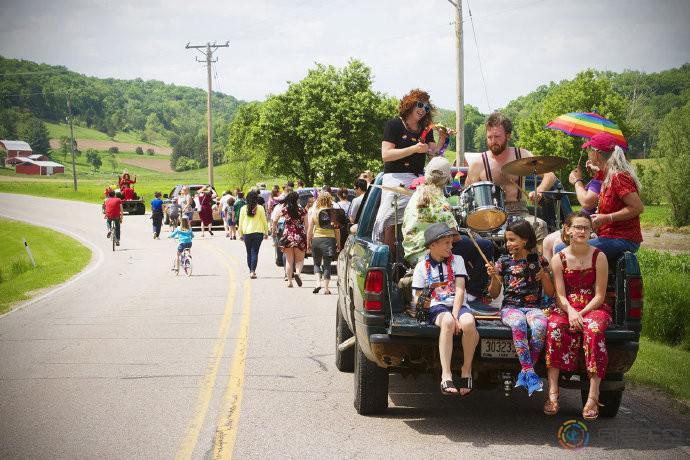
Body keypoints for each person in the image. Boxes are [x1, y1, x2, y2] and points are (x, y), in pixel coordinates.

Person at [545, 212, 610, 420]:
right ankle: (553, 394)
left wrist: (581, 313)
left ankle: (593, 396)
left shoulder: (599, 256)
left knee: (594, 329)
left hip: (593, 306)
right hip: (567, 307)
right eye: (577, 227)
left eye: (585, 227)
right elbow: (560, 296)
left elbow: (600, 295)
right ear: (567, 230)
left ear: (591, 231)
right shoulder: (559, 258)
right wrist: (571, 311)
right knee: (554, 328)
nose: (581, 231)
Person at [402, 156, 494, 301]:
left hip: (411, 253)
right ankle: (472, 294)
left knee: (465, 243)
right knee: (486, 246)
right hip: (426, 252)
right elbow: (454, 237)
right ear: (446, 179)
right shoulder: (439, 199)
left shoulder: (416, 195)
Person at [373, 89, 448, 252]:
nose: (423, 110)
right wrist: (413, 149)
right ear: (410, 104)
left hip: (418, 179)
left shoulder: (426, 129)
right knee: (390, 221)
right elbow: (386, 155)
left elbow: (433, 155)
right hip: (395, 178)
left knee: (428, 215)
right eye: (420, 105)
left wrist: (442, 139)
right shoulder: (394, 125)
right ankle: (388, 260)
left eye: (427, 107)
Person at [486, 219, 554, 396]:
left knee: (540, 327)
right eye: (507, 240)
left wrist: (544, 276)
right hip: (510, 307)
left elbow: (550, 292)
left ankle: (525, 371)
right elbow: (493, 294)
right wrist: (494, 276)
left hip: (533, 307)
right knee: (518, 324)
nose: (508, 244)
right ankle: (529, 372)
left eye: (512, 240)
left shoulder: (540, 261)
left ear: (525, 240)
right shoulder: (503, 262)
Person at [465, 112, 556, 243]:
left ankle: (536, 263)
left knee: (540, 225)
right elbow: (467, 194)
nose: (493, 141)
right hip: (490, 217)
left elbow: (550, 175)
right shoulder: (478, 162)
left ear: (508, 135)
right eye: (489, 137)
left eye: (497, 136)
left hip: (520, 212)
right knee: (475, 236)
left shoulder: (521, 154)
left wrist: (539, 190)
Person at [412, 223, 478, 396]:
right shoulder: (421, 266)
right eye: (446, 243)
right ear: (432, 245)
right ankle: (446, 373)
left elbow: (460, 289)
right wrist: (422, 301)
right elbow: (417, 296)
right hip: (437, 306)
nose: (451, 246)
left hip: (458, 305)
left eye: (451, 243)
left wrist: (456, 315)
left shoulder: (457, 260)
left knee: (469, 323)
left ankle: (466, 369)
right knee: (447, 321)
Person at [564, 132, 644, 267]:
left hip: (622, 239)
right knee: (565, 245)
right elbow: (604, 170)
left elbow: (638, 207)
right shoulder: (609, 174)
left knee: (563, 251)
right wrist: (596, 168)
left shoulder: (618, 177)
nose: (588, 153)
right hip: (611, 236)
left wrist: (607, 218)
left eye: (589, 150)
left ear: (596, 153)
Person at [542, 160, 603, 260]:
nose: (588, 162)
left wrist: (577, 180)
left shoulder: (600, 181)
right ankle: (550, 273)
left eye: (591, 154)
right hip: (581, 223)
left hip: (589, 227)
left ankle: (563, 272)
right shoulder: (597, 178)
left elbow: (586, 202)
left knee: (558, 243)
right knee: (547, 241)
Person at [275, 191, 308, 288]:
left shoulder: (285, 209)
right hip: (300, 236)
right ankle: (297, 273)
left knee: (289, 261)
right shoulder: (302, 210)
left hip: (288, 236)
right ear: (297, 199)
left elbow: (276, 219)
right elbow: (306, 224)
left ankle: (289, 282)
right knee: (300, 260)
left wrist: (274, 229)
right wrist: (308, 236)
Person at [307, 191, 337, 295]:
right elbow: (336, 229)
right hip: (329, 239)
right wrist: (338, 242)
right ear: (330, 200)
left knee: (316, 263)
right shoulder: (333, 212)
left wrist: (308, 242)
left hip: (317, 239)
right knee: (327, 265)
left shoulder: (315, 212)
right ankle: (326, 288)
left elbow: (310, 229)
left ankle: (317, 283)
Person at [238, 190, 268, 279]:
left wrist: (240, 233)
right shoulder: (260, 208)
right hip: (258, 232)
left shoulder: (244, 208)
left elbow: (240, 222)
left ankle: (250, 270)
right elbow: (264, 221)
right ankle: (253, 271)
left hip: (247, 232)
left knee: (249, 252)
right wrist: (266, 232)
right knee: (255, 252)